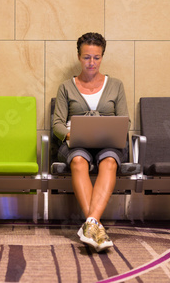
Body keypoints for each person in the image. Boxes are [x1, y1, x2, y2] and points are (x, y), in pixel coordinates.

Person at [52, 32, 130, 252]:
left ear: (102, 57)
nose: (91, 63)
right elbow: (57, 124)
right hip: (75, 143)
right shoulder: (66, 87)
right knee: (77, 160)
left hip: (108, 143)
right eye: (87, 57)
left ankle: (91, 224)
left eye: (96, 58)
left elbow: (126, 120)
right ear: (79, 57)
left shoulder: (116, 85)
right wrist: (71, 135)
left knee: (109, 163)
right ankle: (95, 226)